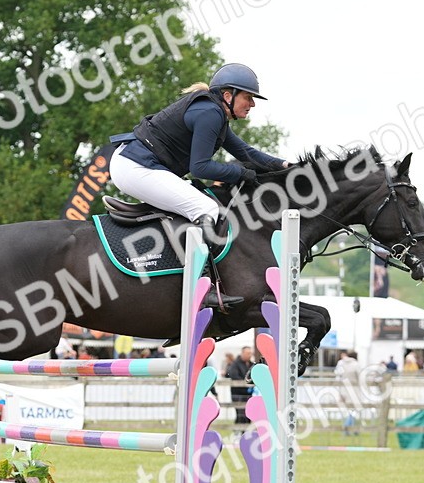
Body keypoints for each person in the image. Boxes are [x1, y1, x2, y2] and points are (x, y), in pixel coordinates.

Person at [109, 63, 290, 312]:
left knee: (202, 201)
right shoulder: (210, 114)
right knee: (206, 208)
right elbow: (201, 168)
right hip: (135, 166)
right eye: (248, 97)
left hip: (137, 163)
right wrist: (240, 173)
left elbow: (246, 152)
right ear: (228, 95)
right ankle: (202, 289)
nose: (252, 104)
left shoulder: (216, 115)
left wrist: (285, 165)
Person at [334, 350, 362, 435]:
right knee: (354, 410)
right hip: (353, 390)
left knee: (347, 411)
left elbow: (337, 374)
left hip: (342, 389)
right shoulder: (356, 364)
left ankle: (349, 428)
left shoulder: (341, 363)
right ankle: (349, 427)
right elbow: (360, 376)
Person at [226, 346, 254, 425]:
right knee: (240, 414)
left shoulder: (252, 364)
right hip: (238, 393)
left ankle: (246, 433)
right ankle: (239, 433)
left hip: (248, 394)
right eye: (248, 353)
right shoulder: (235, 364)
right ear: (242, 353)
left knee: (248, 415)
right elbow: (234, 376)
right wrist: (246, 383)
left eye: (250, 353)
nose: (249, 355)